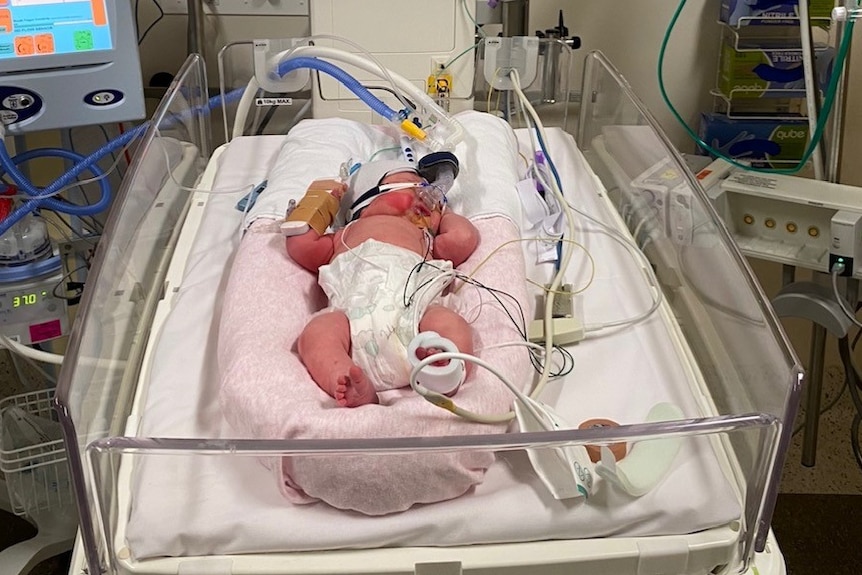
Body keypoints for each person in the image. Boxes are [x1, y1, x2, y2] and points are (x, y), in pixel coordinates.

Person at [285, 158, 479, 407]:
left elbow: (463, 238)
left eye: (432, 196)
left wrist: (446, 211)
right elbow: (303, 245)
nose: (426, 198)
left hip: (417, 319)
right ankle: (346, 379)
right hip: (353, 325)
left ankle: (445, 371)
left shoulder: (424, 238)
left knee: (450, 322)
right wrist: (313, 210)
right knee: (317, 334)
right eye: (412, 189)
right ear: (366, 202)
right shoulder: (346, 234)